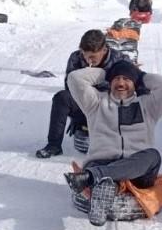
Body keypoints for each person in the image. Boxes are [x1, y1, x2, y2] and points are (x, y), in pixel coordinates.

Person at [65, 59, 162, 226]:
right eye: (116, 78)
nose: (121, 83)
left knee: (153, 156)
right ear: (110, 82)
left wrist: (140, 75)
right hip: (101, 161)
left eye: (127, 79)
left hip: (137, 169)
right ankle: (104, 191)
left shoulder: (147, 106)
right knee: (108, 182)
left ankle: (93, 177)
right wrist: (106, 72)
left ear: (135, 83)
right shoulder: (95, 103)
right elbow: (74, 78)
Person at [35, 29, 120, 159]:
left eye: (93, 57)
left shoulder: (119, 59)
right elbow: (70, 88)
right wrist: (76, 118)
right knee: (62, 97)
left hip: (109, 109)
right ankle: (53, 145)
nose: (89, 60)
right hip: (84, 106)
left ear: (104, 50)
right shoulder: (75, 58)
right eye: (85, 55)